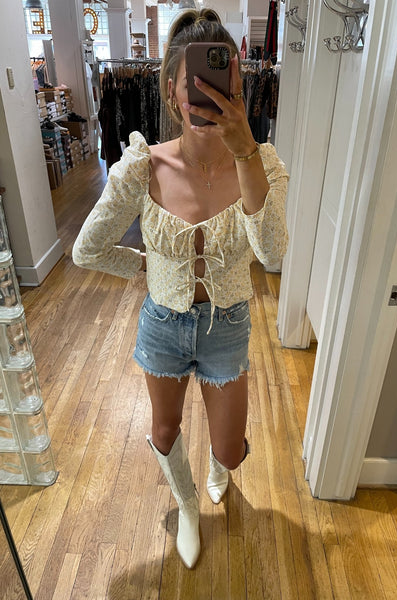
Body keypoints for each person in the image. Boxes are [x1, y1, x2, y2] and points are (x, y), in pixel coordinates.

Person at [72, 8, 288, 569]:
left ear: (239, 89)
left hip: (227, 325)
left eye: (223, 83)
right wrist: (143, 266)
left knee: (229, 451)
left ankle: (218, 469)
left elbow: (273, 254)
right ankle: (186, 503)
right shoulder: (142, 167)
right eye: (195, 83)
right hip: (163, 326)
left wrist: (245, 151)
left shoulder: (263, 165)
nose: (207, 96)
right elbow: (86, 250)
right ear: (172, 90)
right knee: (165, 431)